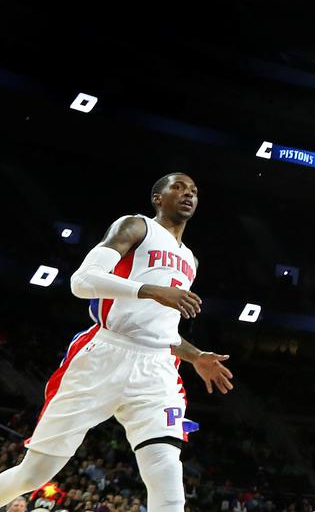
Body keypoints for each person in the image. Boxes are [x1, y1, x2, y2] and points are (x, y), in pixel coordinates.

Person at [0, 174, 233, 512]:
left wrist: (195, 356)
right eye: (179, 187)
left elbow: (160, 328)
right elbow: (81, 282)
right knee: (34, 474)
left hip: (157, 369)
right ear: (157, 197)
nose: (189, 194)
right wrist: (150, 290)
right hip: (105, 354)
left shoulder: (191, 261)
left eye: (195, 191)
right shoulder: (136, 227)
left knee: (167, 474)